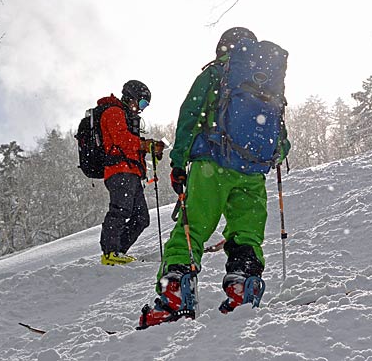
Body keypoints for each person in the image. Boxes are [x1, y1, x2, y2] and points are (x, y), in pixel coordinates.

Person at [138, 27, 291, 327]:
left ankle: (174, 297)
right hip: (253, 173)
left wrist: (178, 161)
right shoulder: (266, 85)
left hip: (213, 164)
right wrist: (271, 156)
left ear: (224, 48)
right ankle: (241, 290)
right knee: (246, 234)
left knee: (191, 228)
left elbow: (190, 115)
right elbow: (281, 139)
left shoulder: (216, 74)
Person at [97, 79, 165, 266]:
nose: (142, 108)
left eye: (145, 105)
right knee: (120, 210)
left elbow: (130, 144)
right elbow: (121, 139)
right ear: (131, 97)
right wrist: (144, 144)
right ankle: (109, 252)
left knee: (142, 218)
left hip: (132, 172)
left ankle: (118, 251)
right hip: (119, 171)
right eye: (142, 103)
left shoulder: (126, 116)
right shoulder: (113, 111)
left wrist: (149, 148)